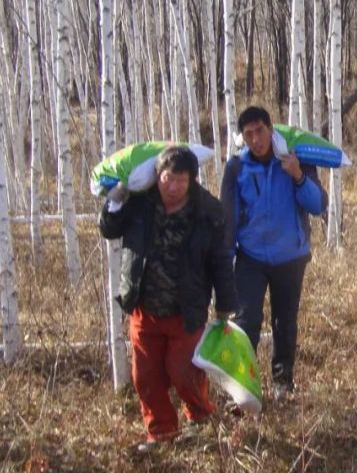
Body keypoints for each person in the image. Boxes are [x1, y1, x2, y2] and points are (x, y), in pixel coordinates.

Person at [99, 144, 238, 449]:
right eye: (167, 179)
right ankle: (160, 433)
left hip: (185, 310)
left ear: (192, 181)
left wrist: (226, 304)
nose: (172, 187)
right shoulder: (139, 204)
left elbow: (220, 259)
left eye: (180, 181)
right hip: (144, 307)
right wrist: (115, 202)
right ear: (157, 176)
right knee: (145, 376)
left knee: (183, 371)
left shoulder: (208, 211)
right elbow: (110, 230)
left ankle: (200, 420)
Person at [220, 106, 326, 400]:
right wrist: (223, 263)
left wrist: (297, 176)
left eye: (260, 131)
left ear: (271, 130)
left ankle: (282, 382)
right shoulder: (236, 168)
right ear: (243, 137)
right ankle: (243, 385)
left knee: (284, 321)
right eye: (249, 134)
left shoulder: (296, 160)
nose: (256, 139)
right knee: (246, 320)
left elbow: (318, 206)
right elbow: (228, 218)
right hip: (250, 258)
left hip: (290, 258)